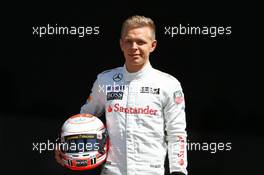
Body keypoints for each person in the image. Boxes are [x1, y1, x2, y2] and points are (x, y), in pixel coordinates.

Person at [55, 15, 188, 175]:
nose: (134, 47)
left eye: (140, 42)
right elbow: (84, 118)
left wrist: (178, 171)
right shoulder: (105, 80)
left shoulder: (168, 84)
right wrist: (63, 143)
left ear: (153, 45)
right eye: (128, 41)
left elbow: (176, 133)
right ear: (121, 44)